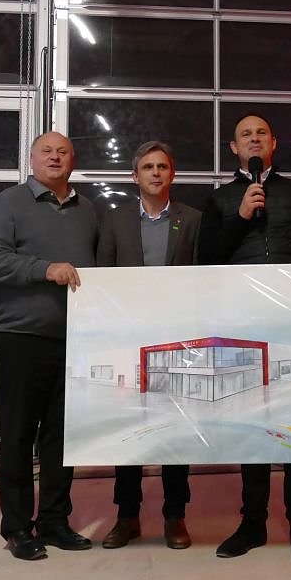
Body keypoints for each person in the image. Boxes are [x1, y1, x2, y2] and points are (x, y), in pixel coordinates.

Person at [197, 114, 291, 561]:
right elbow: (205, 259)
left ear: (273, 143)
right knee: (253, 422)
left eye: (260, 133)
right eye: (246, 135)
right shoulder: (221, 199)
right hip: (243, 324)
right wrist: (241, 217)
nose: (254, 140)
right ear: (234, 148)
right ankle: (253, 522)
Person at [0, 131, 97, 561]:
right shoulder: (9, 203)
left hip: (75, 338)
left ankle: (54, 521)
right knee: (18, 435)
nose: (55, 157)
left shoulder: (88, 210)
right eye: (47, 151)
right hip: (22, 335)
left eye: (63, 152)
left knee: (62, 437)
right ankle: (17, 528)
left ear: (72, 161)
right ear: (31, 159)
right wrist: (44, 269)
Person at [96, 141, 201, 550]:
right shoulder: (115, 220)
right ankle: (127, 517)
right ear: (134, 175)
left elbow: (204, 278)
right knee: (130, 429)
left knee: (176, 431)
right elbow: (103, 277)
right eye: (147, 167)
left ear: (172, 174)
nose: (155, 173)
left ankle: (175, 516)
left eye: (162, 167)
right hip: (128, 340)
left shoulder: (192, 220)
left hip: (177, 342)